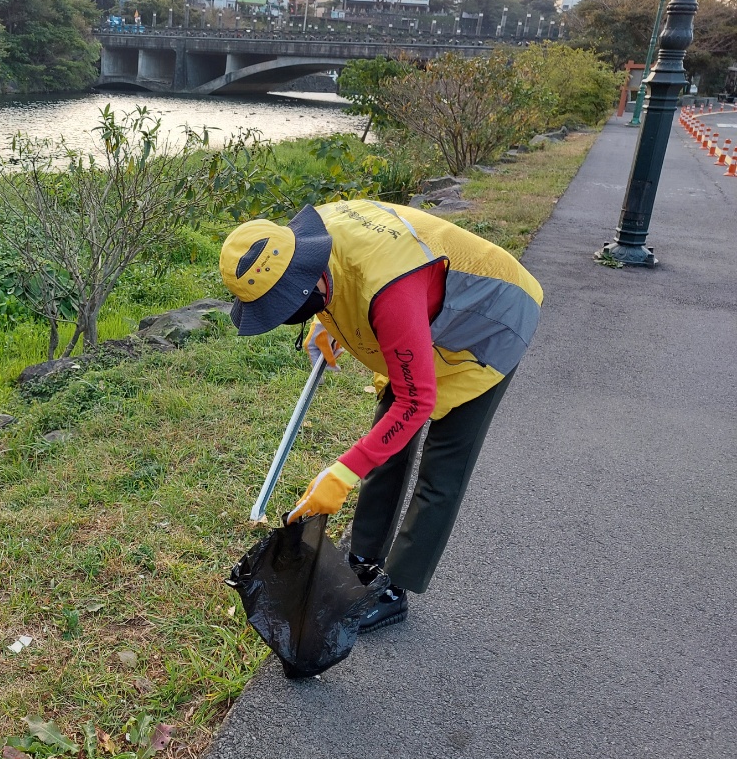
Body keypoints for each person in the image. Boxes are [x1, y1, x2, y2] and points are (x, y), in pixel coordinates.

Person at [220, 199, 543, 632]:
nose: (287, 315)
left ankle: (394, 588)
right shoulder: (313, 241)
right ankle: (362, 563)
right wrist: (325, 322)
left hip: (489, 318)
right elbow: (337, 290)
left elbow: (417, 402)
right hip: (420, 313)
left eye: (291, 304)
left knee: (443, 463)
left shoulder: (387, 289)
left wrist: (342, 472)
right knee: (385, 445)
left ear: (310, 272)